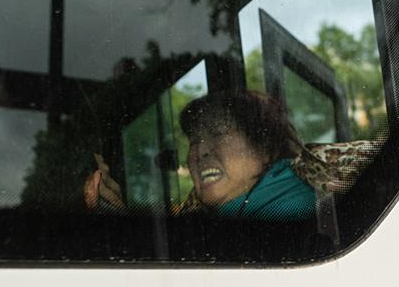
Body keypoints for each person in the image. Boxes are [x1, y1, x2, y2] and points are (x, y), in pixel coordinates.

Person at [86, 91, 316, 220]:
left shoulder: (292, 209)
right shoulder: (239, 211)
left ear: (264, 149)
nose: (200, 151)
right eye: (194, 140)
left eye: (218, 133)